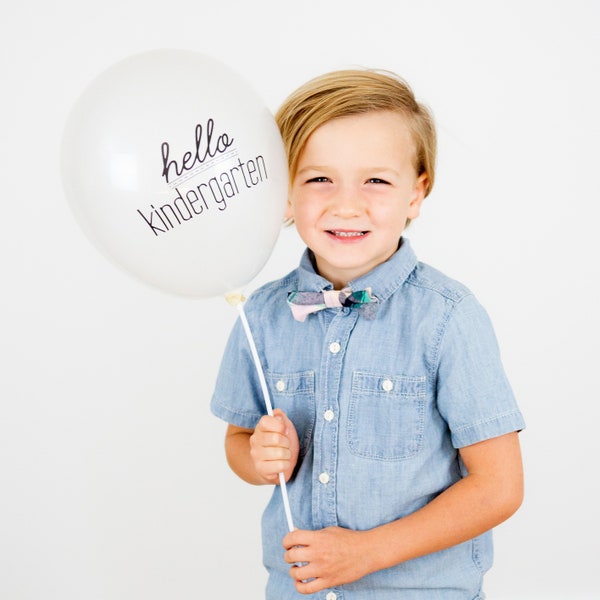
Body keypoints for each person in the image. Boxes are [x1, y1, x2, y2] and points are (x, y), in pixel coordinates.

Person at [211, 69, 525, 599]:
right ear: (284, 193)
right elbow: (238, 440)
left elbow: (499, 487)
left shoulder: (448, 318)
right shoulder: (260, 316)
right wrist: (259, 457)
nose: (347, 204)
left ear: (416, 193)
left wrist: (365, 553)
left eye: (376, 180)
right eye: (318, 179)